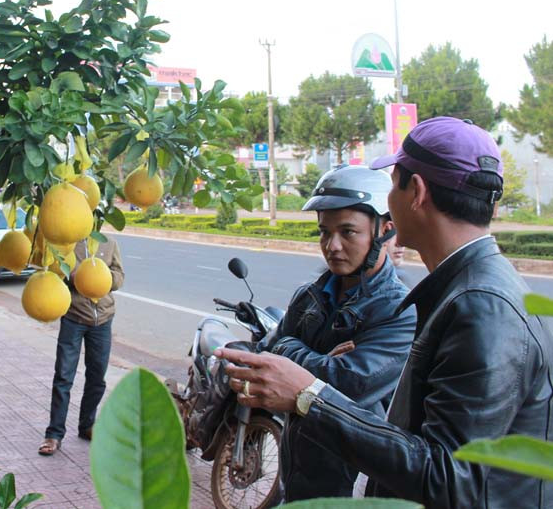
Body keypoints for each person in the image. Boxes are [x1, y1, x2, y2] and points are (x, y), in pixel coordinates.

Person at [219, 117, 553, 508]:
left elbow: (448, 478)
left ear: (417, 192)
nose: (333, 245)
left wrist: (308, 394)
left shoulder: (482, 307)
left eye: (394, 184)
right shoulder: (464, 290)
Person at [256, 165, 416, 500]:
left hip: (352, 484)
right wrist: (306, 357)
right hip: (299, 472)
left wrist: (288, 350)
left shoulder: (399, 310)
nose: (333, 246)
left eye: (348, 232)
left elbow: (348, 382)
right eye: (324, 232)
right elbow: (266, 359)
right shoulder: (309, 296)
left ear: (384, 231)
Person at [38, 237, 124, 456]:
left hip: (103, 319)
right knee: (64, 376)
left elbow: (119, 275)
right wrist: (76, 277)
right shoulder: (66, 243)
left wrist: (103, 278)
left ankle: (87, 425)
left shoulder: (109, 243)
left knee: (97, 377)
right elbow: (54, 274)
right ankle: (54, 434)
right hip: (73, 317)